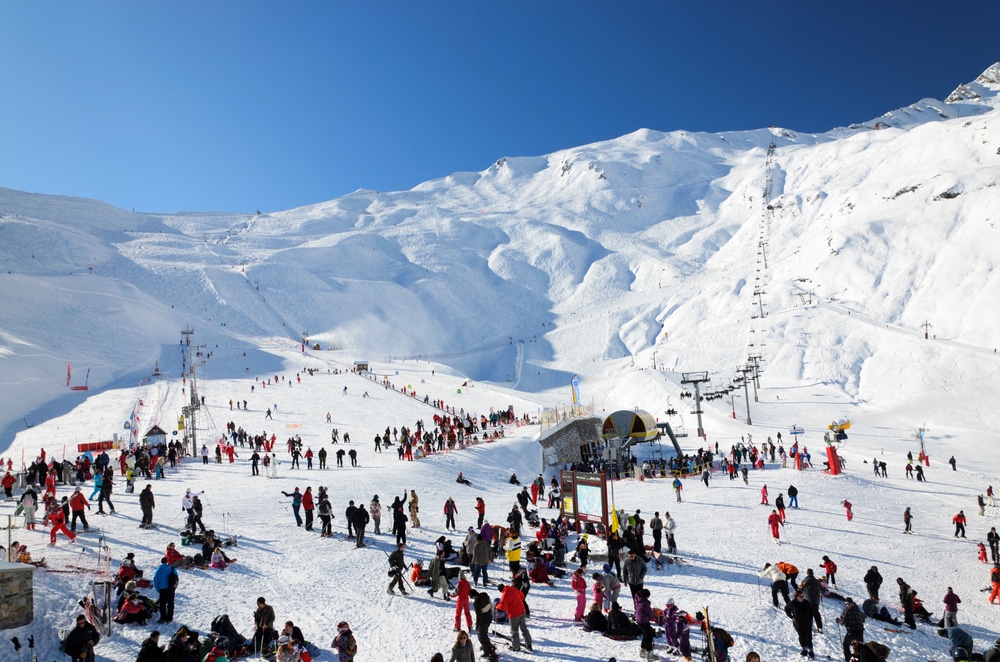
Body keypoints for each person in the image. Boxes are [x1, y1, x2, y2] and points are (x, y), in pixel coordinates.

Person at [497, 583, 532, 652]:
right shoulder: (513, 588)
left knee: (514, 631)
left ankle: (516, 647)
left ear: (501, 590)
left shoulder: (505, 595)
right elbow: (522, 596)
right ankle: (529, 644)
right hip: (521, 611)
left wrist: (497, 605)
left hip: (513, 615)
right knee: (524, 628)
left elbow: (503, 607)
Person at [469, 588, 497, 660]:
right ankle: (488, 646)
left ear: (474, 596)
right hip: (489, 616)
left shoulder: (476, 603)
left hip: (484, 619)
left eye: (472, 597)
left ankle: (488, 651)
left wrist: (477, 626)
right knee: (484, 634)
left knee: (481, 636)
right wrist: (492, 613)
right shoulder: (484, 594)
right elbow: (491, 604)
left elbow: (479, 616)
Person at [785, 591, 815, 659]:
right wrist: (791, 616)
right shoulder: (792, 603)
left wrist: (810, 618)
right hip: (798, 624)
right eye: (801, 597)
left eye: (803, 596)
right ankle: (804, 649)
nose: (802, 598)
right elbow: (786, 609)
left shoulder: (806, 603)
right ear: (797, 597)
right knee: (801, 637)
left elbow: (811, 610)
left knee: (808, 637)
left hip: (807, 623)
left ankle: (810, 651)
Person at [836, 597, 866, 662]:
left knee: (846, 645)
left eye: (845, 603)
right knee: (859, 647)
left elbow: (842, 621)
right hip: (860, 632)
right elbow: (863, 619)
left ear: (847, 603)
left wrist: (838, 620)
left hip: (851, 631)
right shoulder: (858, 610)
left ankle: (848, 659)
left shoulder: (847, 610)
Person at [152, 556, 178, 624]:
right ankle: (170, 618)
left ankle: (163, 618)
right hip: (171, 588)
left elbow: (155, 580)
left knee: (162, 603)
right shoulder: (172, 569)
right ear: (167, 562)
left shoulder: (158, 570)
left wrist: (158, 589)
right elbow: (176, 578)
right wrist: (174, 587)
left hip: (162, 588)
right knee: (170, 603)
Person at [634, 587, 654, 660]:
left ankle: (643, 650)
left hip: (639, 619)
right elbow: (650, 613)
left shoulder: (637, 598)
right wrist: (652, 617)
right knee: (649, 636)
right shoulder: (644, 603)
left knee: (645, 634)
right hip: (644, 620)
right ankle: (649, 654)